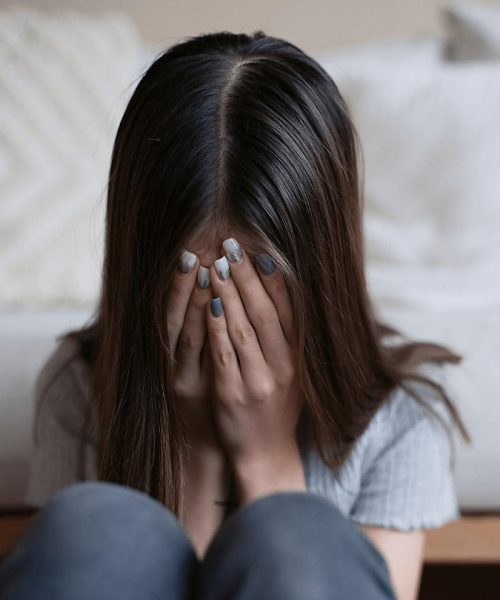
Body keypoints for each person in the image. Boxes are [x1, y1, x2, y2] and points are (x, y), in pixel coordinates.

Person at [15, 30, 470, 599]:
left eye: (252, 293)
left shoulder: (399, 421)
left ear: (320, 278)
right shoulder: (80, 387)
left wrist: (266, 459)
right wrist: (193, 451)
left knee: (298, 536)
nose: (223, 326)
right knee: (97, 524)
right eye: (199, 286)